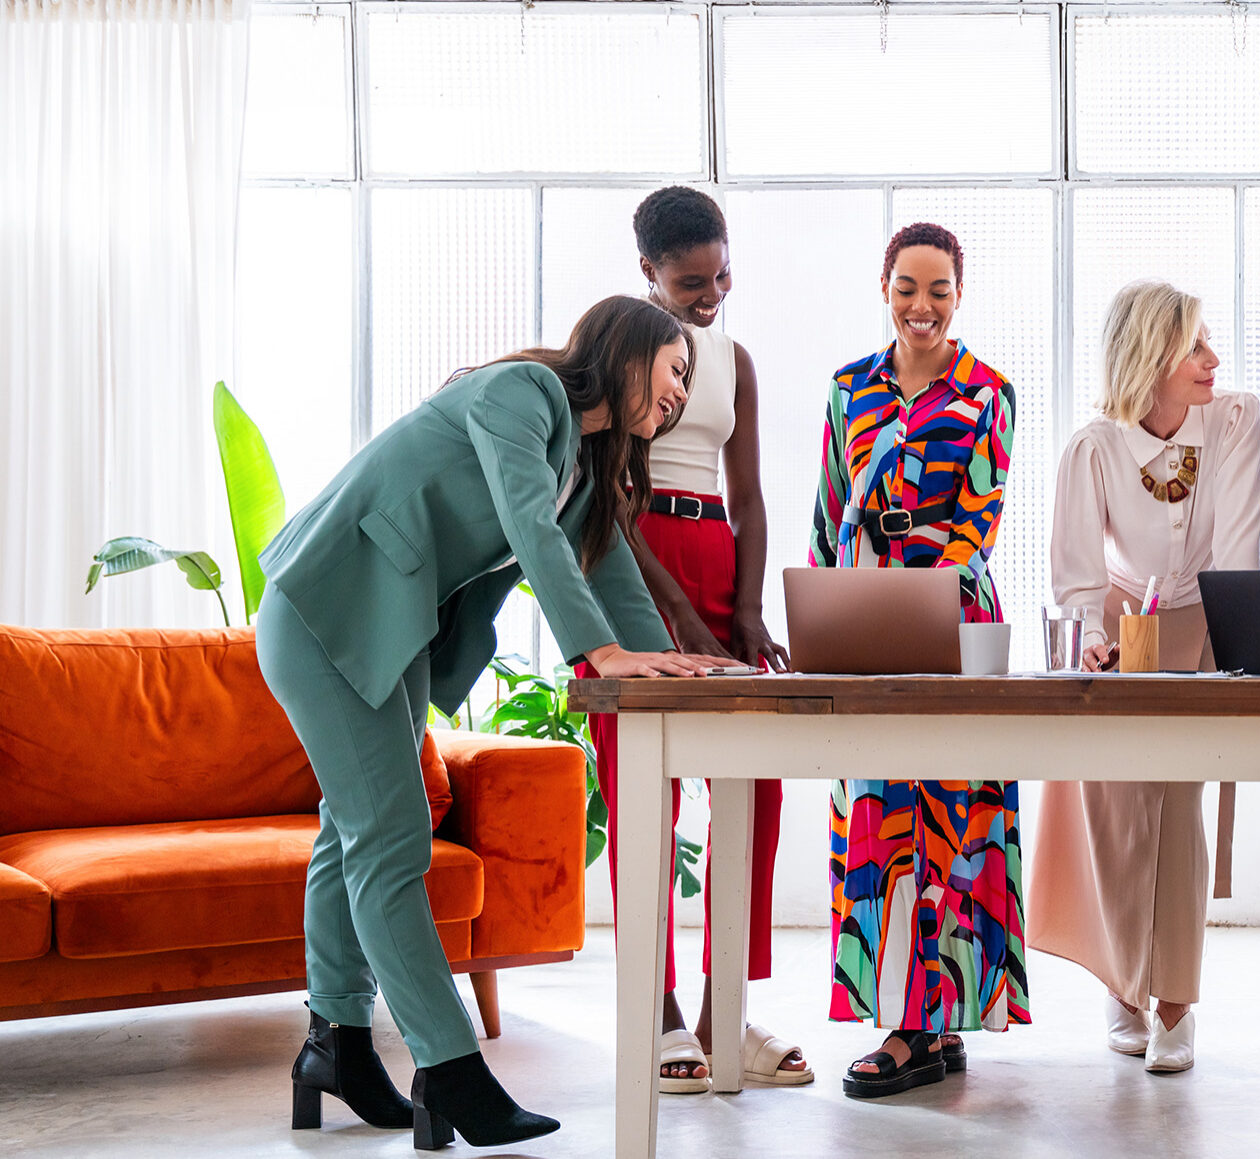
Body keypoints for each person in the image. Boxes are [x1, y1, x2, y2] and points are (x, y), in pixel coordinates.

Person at [257, 295, 723, 1147]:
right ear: (631, 347)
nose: (681, 394)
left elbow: (607, 563)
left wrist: (671, 669)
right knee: (389, 836)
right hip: (323, 606)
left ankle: (338, 1045)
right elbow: (526, 522)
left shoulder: (582, 460)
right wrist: (601, 654)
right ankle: (449, 1066)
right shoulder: (523, 394)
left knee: (351, 830)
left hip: (383, 626)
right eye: (677, 369)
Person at [579, 186, 809, 1094]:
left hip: (716, 552)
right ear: (648, 272)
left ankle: (723, 1010)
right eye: (689, 281)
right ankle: (659, 1010)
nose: (709, 294)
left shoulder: (733, 359)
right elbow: (605, 486)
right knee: (645, 790)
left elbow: (747, 493)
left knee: (752, 787)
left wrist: (746, 607)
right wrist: (669, 605)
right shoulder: (617, 348)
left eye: (720, 276)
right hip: (631, 556)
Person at [806, 222, 1027, 1099]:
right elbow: (827, 515)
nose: (921, 306)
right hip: (862, 622)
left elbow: (977, 525)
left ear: (959, 294)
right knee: (879, 813)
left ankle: (923, 1024)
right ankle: (918, 1016)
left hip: (952, 622)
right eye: (907, 287)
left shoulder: (988, 393)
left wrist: (905, 591)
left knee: (955, 818)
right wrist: (825, 614)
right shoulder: (849, 387)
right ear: (884, 287)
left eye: (938, 289)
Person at [1028, 280, 1260, 1075]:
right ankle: (1122, 986)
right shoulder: (1092, 447)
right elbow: (1075, 575)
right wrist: (1093, 639)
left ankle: (1175, 1000)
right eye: (1195, 345)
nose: (1212, 360)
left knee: (1177, 807)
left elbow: (1235, 549)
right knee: (1115, 806)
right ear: (1150, 355)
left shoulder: (1232, 420)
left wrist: (1238, 644)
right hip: (1123, 626)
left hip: (1207, 618)